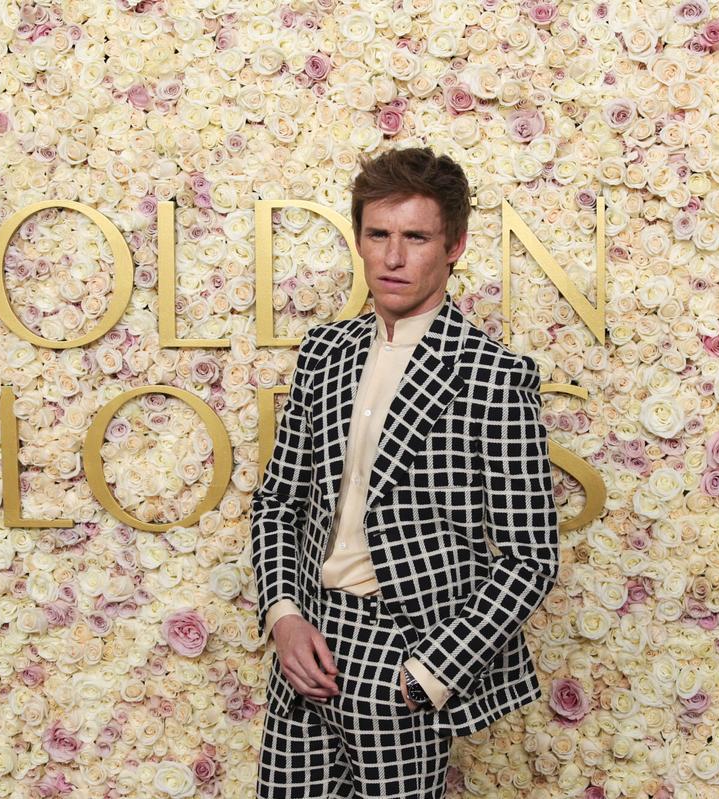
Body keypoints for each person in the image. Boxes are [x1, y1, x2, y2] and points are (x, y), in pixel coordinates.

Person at [251, 147, 560, 798]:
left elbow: (530, 556)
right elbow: (278, 500)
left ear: (454, 244)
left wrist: (429, 673)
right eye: (378, 235)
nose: (392, 258)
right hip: (304, 641)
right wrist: (282, 615)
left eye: (415, 237)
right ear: (359, 238)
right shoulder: (322, 354)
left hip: (402, 656)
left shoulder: (496, 377)